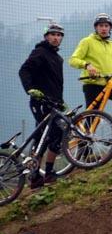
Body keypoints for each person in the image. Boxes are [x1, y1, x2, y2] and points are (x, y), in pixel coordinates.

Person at [68, 13, 112, 143]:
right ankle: (83, 152)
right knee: (93, 119)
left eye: (106, 26)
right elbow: (73, 60)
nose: (104, 28)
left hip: (109, 84)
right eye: (101, 26)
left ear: (110, 28)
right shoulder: (87, 41)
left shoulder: (111, 44)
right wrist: (87, 65)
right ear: (96, 27)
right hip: (92, 85)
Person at [18, 23, 66, 188]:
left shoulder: (58, 58)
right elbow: (24, 70)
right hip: (40, 102)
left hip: (54, 103)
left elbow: (55, 84)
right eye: (53, 34)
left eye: (59, 35)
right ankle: (36, 175)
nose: (56, 38)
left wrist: (60, 102)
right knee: (43, 136)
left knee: (57, 134)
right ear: (46, 36)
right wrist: (30, 89)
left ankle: (46, 173)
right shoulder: (40, 52)